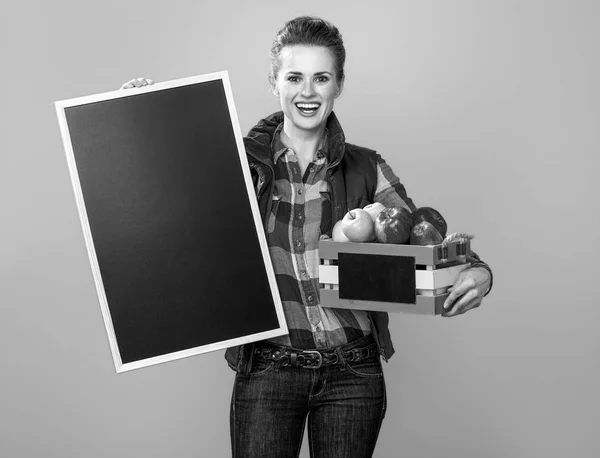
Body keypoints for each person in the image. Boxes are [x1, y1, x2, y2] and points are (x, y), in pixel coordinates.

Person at [121, 16, 493, 458]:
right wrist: (139, 116)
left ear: (338, 84)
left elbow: (422, 237)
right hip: (266, 372)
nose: (307, 92)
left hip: (352, 373)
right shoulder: (237, 163)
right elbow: (169, 201)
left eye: (321, 78)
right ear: (274, 82)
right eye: (294, 77)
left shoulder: (366, 168)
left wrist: (479, 272)